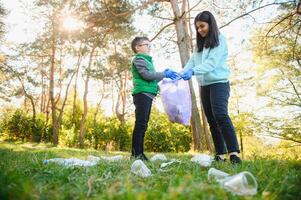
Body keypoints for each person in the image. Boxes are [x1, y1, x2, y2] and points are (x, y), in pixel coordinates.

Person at [181, 11, 242, 164]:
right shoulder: (199, 46)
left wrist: (193, 71)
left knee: (221, 115)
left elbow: (212, 64)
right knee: (211, 120)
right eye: (198, 28)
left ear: (210, 24)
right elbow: (192, 62)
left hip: (219, 83)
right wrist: (180, 73)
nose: (200, 30)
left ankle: (234, 153)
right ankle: (220, 154)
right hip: (204, 85)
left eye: (202, 26)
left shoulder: (219, 40)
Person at [130, 36, 179, 161]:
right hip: (142, 93)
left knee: (143, 123)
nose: (149, 47)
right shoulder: (139, 59)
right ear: (138, 47)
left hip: (147, 94)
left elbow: (152, 77)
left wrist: (164, 75)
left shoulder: (147, 60)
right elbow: (147, 75)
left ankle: (138, 153)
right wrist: (163, 74)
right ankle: (137, 154)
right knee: (141, 123)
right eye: (147, 44)